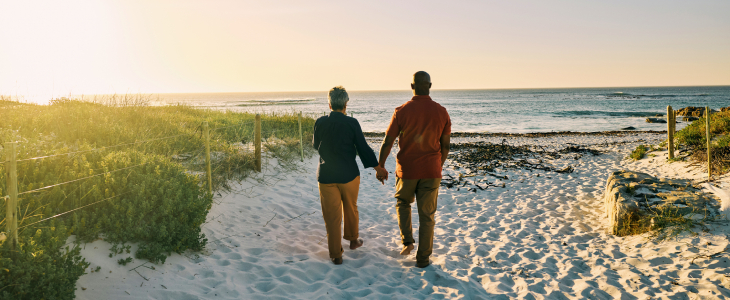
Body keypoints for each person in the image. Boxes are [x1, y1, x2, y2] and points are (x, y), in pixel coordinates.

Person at [376, 71, 451, 268]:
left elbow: (388, 142)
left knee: (402, 202)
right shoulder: (442, 112)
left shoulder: (401, 111)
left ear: (412, 86)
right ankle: (423, 259)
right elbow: (446, 146)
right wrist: (438, 164)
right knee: (427, 217)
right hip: (431, 171)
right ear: (430, 85)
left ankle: (407, 242)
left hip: (407, 170)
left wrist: (380, 166)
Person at [313, 86, 388, 265]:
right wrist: (378, 168)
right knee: (351, 207)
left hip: (326, 176)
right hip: (349, 175)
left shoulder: (320, 122)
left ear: (329, 104)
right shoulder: (352, 123)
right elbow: (362, 148)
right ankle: (353, 240)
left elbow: (316, 146)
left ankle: (336, 255)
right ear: (346, 104)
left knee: (331, 216)